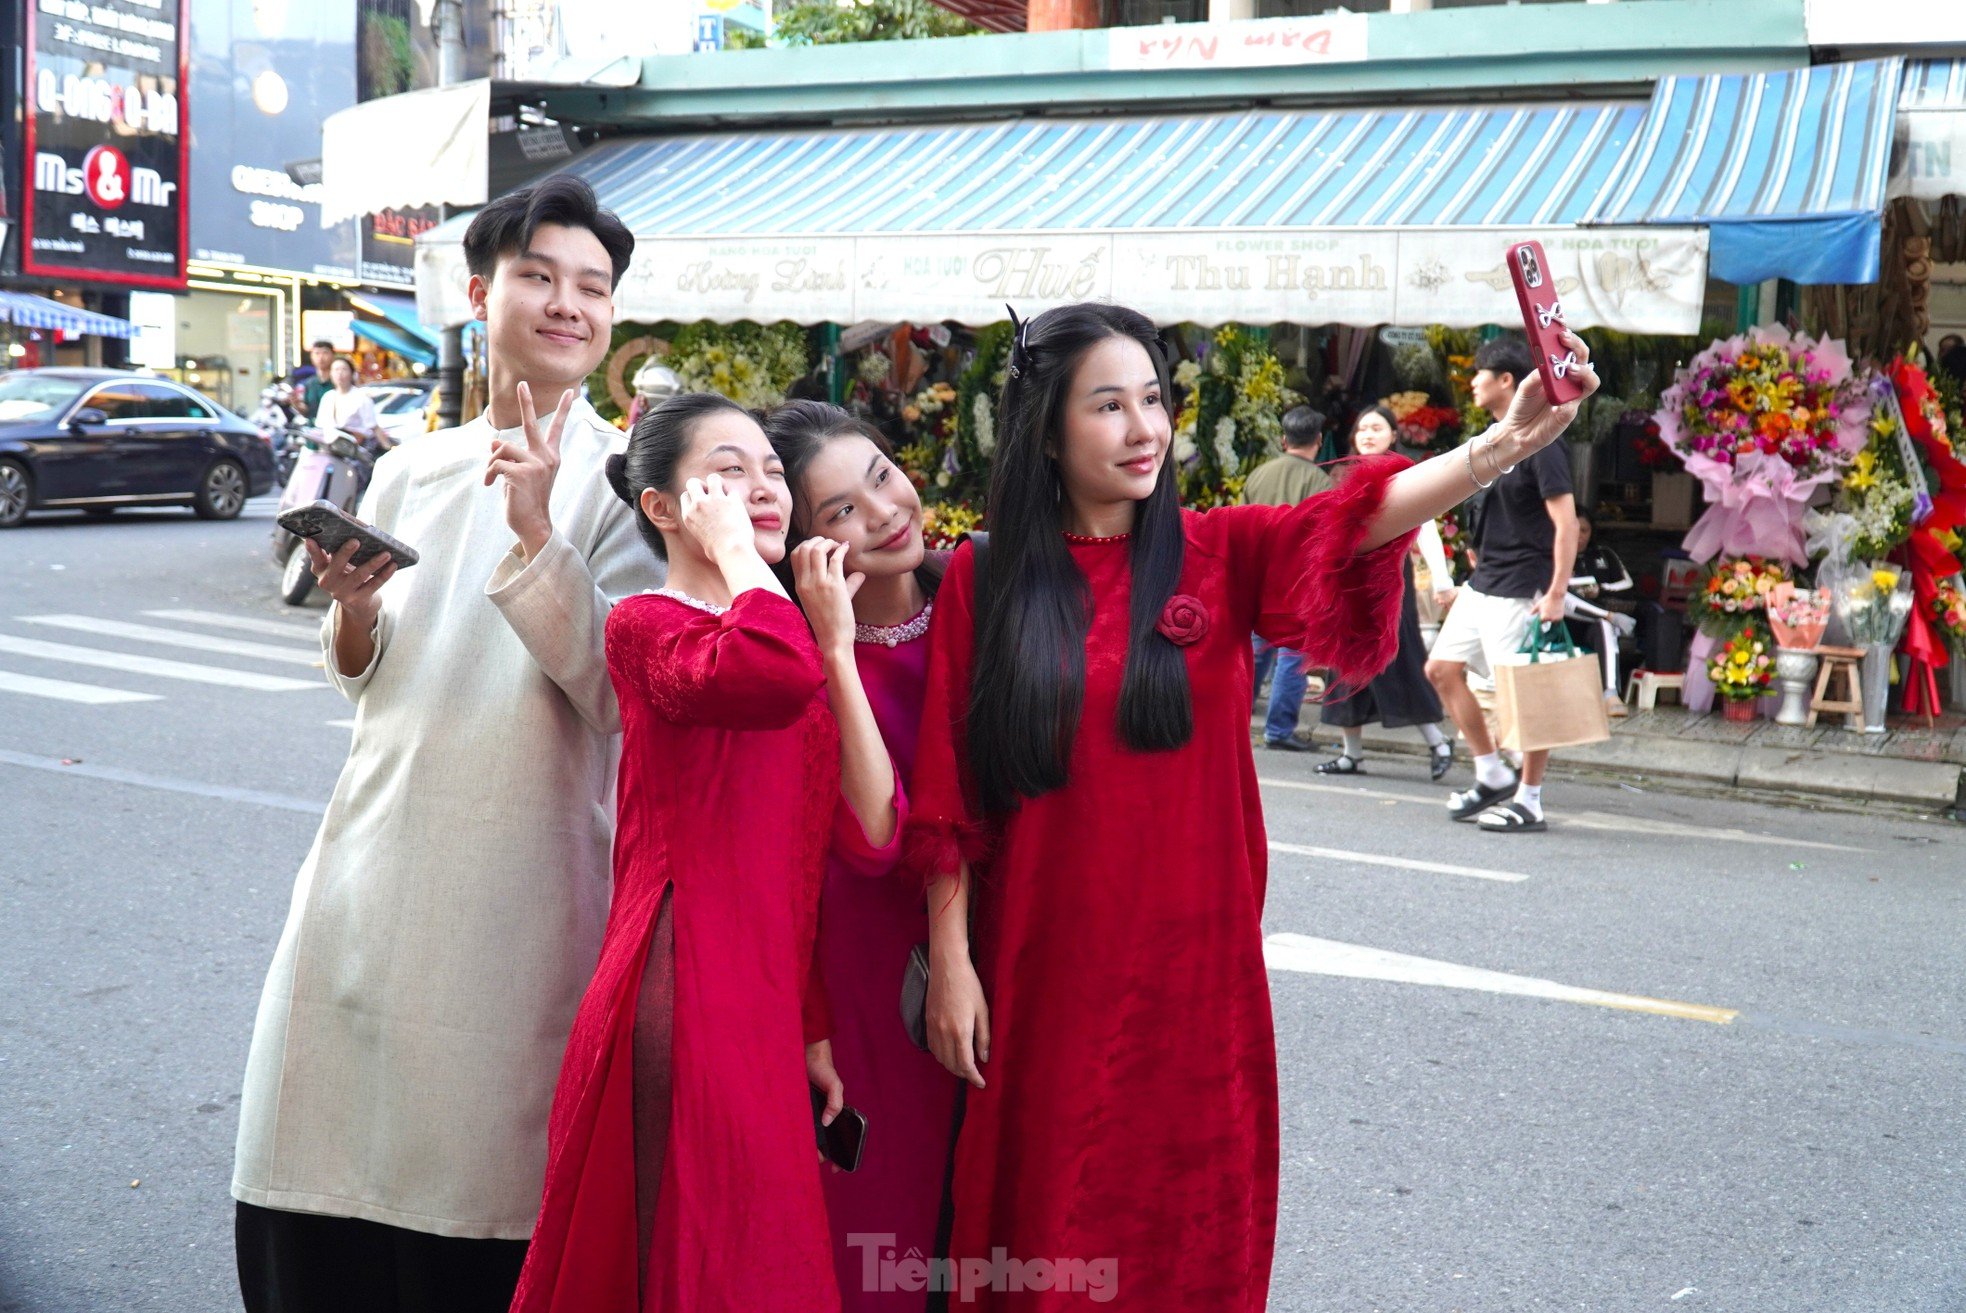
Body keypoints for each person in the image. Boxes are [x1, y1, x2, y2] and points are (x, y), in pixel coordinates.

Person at [910, 302, 1594, 1311]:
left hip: (1196, 977)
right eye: (1108, 404)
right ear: (1045, 428)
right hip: (1043, 967)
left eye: (1152, 398)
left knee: (1186, 1231)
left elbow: (1359, 517)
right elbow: (951, 790)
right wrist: (952, 963)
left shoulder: (1216, 552)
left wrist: (1504, 441)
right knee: (1048, 1225)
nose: (1144, 427)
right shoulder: (982, 577)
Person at [231, 176, 653, 1313]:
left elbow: (624, 689)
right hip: (369, 854)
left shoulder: (622, 483)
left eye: (592, 287)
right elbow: (374, 674)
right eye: (539, 276)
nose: (568, 303)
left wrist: (535, 534)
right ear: (480, 293)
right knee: (319, 1137)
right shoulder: (412, 465)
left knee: (482, 1183)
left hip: (528, 875)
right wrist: (353, 608)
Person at [512, 394, 846, 1313]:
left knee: (747, 1250)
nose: (765, 488)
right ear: (663, 507)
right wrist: (743, 557)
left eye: (774, 470)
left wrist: (809, 1020)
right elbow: (772, 676)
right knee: (692, 1252)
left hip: (759, 985)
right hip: (686, 974)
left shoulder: (772, 620)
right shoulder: (647, 625)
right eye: (731, 471)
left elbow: (804, 847)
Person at [764, 400, 963, 1312]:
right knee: (881, 1227)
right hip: (867, 973)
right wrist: (838, 650)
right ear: (808, 544)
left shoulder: (981, 593)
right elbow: (875, 841)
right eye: (842, 509)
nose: (887, 511)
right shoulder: (800, 657)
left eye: (881, 473)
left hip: (999, 948)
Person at [1424, 337, 1579, 835]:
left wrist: (1556, 592)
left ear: (1506, 381)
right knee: (1443, 669)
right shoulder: (1495, 438)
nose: (1471, 381)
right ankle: (1492, 772)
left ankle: (1530, 799)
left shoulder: (1543, 440)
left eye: (1479, 373)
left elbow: (1566, 523)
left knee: (1524, 697)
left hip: (1521, 586)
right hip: (1483, 580)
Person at [1316, 404, 1456, 778]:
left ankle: (1439, 742)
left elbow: (1424, 526)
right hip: (1348, 578)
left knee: (1398, 656)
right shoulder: (1343, 473)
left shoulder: (1403, 474)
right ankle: (1352, 754)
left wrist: (1441, 579)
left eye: (1377, 428)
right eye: (1362, 428)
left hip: (1389, 578)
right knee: (1343, 659)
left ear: (1394, 435)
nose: (1367, 434)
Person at [1243, 403, 1332, 751]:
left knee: (1256, 647)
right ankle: (1279, 730)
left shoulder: (1258, 475)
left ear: (1284, 439)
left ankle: (1242, 710)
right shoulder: (1320, 481)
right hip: (1298, 580)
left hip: (1259, 573)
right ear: (1319, 440)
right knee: (1293, 655)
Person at [1566, 510, 1634, 719]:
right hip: (1563, 622)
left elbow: (1628, 585)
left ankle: (1610, 693)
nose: (1579, 536)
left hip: (1593, 624)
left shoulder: (1603, 555)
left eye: (1584, 530)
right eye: (1574, 529)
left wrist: (1600, 590)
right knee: (1606, 620)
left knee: (1604, 626)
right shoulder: (1554, 553)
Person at [313, 357, 385, 450]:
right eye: (336, 370)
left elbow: (373, 427)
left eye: (344, 369)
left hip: (355, 450)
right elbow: (321, 427)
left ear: (352, 374)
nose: (339, 373)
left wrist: (386, 446)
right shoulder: (328, 397)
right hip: (330, 449)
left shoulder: (361, 397)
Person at [296, 340, 336, 418]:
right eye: (317, 353)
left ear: (333, 356)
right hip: (312, 427)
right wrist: (296, 404)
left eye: (325, 353)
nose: (321, 357)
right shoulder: (308, 383)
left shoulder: (339, 382)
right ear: (311, 357)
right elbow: (307, 410)